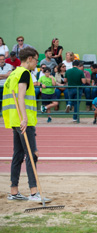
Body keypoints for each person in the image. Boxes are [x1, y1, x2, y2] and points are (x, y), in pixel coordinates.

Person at [2, 47, 50, 202]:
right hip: (24, 121)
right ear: (29, 59)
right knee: (31, 155)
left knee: (17, 154)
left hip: (14, 120)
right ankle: (34, 192)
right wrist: (24, 118)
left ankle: (14, 191)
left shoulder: (12, 74)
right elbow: (21, 97)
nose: (36, 63)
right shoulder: (24, 73)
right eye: (36, 59)